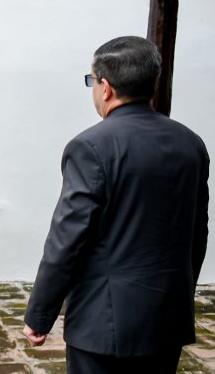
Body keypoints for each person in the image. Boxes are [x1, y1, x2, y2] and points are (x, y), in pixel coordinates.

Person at [23, 36, 209, 373]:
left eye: (91, 81)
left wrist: (40, 314)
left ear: (105, 87)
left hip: (105, 321)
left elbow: (67, 239)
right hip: (167, 315)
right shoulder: (191, 143)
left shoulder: (90, 146)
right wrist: (179, 292)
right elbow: (197, 232)